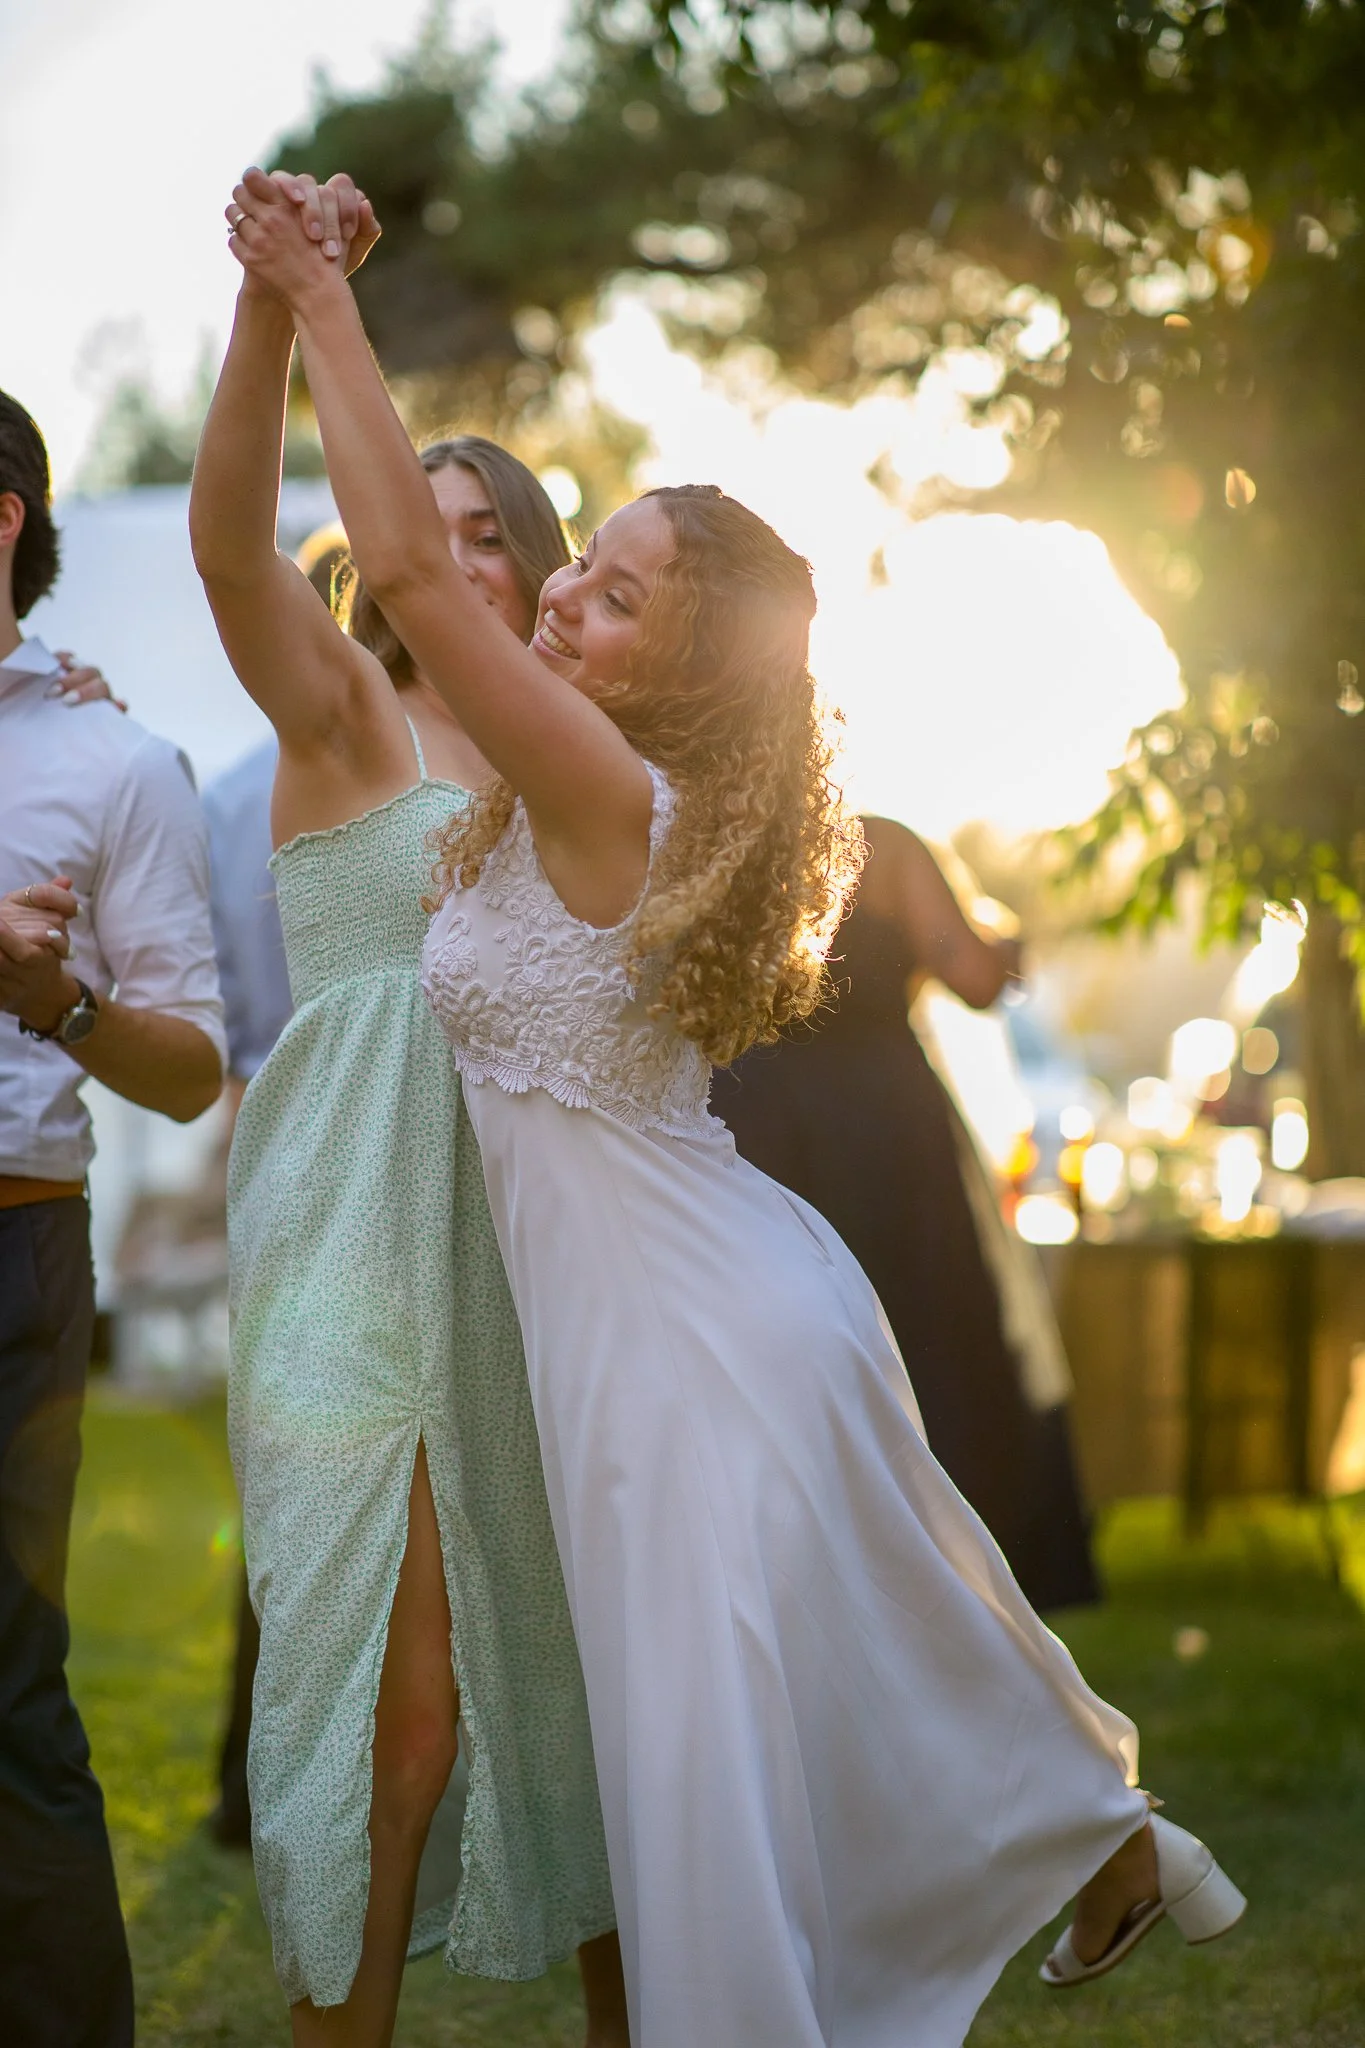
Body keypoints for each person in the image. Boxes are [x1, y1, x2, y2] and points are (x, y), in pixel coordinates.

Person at [237, 174, 1247, 2046]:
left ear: (677, 675)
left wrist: (318, 300)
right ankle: (1102, 1843)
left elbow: (399, 569)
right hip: (675, 1316)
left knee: (707, 1788)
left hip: (687, 1343)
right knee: (796, 1693)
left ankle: (1082, 1848)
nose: (553, 590)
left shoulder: (614, 787)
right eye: (583, 558)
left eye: (609, 595)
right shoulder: (559, 794)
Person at [191, 179, 623, 2048]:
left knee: (605, 1685)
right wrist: (274, 310)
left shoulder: (575, 767)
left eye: (471, 532)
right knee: (402, 1705)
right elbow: (227, 554)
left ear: (529, 570)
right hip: (363, 1227)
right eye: (403, 529)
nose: (427, 554)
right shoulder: (339, 721)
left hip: (548, 1232)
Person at [0, 389, 226, 2046]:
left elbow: (192, 1069)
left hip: (11, 1246)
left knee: (6, 1695)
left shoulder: (115, 759)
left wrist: (54, 998)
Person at [712, 815, 1100, 1612]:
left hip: (755, 1123)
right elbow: (976, 982)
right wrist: (1002, 943)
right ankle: (949, 1567)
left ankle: (810, 1561)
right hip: (883, 1134)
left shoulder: (709, 833)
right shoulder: (880, 846)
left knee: (795, 1338)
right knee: (927, 1329)